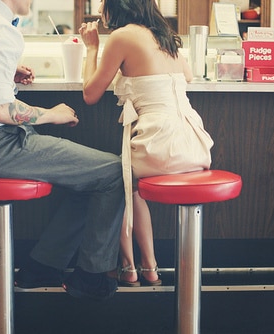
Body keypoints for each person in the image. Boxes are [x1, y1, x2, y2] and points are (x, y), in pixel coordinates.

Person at [0, 0, 125, 301]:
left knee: (88, 178)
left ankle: (43, 266)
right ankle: (92, 277)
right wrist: (53, 114)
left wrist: (5, 75)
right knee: (114, 172)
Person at [79, 0, 214, 286]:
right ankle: (148, 266)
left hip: (161, 143)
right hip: (194, 142)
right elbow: (187, 76)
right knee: (130, 183)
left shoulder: (121, 36)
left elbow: (90, 93)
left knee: (119, 180)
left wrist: (91, 47)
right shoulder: (165, 36)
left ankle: (131, 266)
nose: (101, 5)